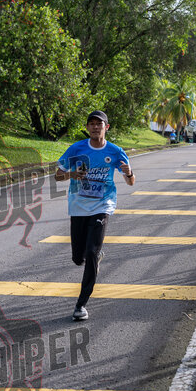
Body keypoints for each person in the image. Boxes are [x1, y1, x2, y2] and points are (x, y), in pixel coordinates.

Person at [55, 110, 135, 321]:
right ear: (87, 127)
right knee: (78, 258)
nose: (95, 127)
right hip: (78, 207)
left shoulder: (115, 152)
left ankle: (81, 304)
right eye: (91, 124)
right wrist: (71, 174)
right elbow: (57, 175)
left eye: (99, 124)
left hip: (102, 205)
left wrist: (129, 173)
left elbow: (130, 182)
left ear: (106, 127)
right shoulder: (77, 148)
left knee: (91, 252)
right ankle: (94, 257)